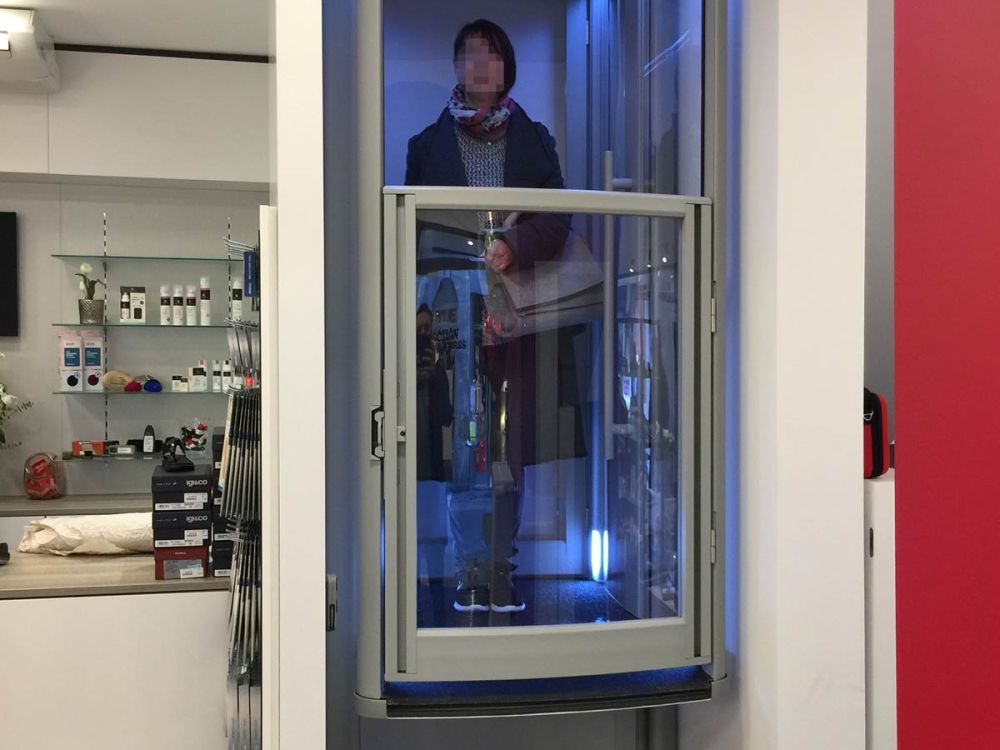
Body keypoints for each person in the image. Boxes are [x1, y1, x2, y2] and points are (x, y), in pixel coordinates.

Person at [407, 20, 586, 615]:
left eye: (491, 56)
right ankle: (468, 570)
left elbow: (557, 219)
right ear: (456, 67)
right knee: (465, 447)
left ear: (508, 66)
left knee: (509, 448)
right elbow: (413, 233)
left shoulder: (535, 140)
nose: (480, 65)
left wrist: (515, 245)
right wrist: (424, 306)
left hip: (520, 310)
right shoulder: (425, 146)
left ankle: (501, 570)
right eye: (469, 55)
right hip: (454, 309)